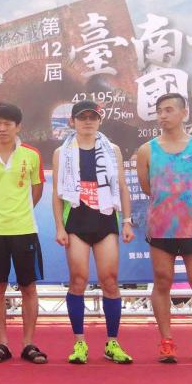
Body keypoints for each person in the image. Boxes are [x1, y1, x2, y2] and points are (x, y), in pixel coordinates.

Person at [136, 92, 192, 364]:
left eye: (169, 109)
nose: (163, 115)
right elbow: (147, 187)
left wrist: (190, 210)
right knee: (162, 280)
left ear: (184, 113)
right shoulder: (147, 150)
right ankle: (166, 342)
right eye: (159, 110)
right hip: (161, 228)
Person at [52, 100, 135, 364]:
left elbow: (121, 186)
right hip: (76, 220)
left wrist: (127, 221)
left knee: (110, 279)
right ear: (72, 121)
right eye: (82, 117)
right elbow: (56, 194)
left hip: (105, 219)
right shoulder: (62, 152)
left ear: (100, 120)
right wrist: (59, 226)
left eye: (93, 117)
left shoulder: (112, 150)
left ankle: (112, 342)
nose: (88, 121)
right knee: (79, 279)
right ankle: (79, 342)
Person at [0, 102, 48, 364]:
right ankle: (2, 343)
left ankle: (29, 343)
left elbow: (37, 189)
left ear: (18, 127)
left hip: (25, 229)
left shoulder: (32, 155)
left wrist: (20, 212)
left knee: (28, 287)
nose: (2, 129)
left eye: (7, 124)